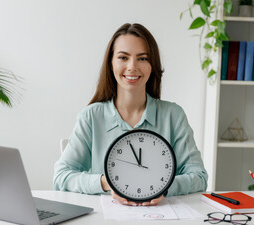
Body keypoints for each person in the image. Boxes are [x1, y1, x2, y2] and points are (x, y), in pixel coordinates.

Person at [53, 23, 208, 206]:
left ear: (153, 65)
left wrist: (164, 186)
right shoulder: (91, 117)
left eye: (142, 58)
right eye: (123, 57)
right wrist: (106, 182)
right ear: (111, 63)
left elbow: (199, 177)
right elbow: (61, 177)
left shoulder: (173, 116)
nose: (132, 66)